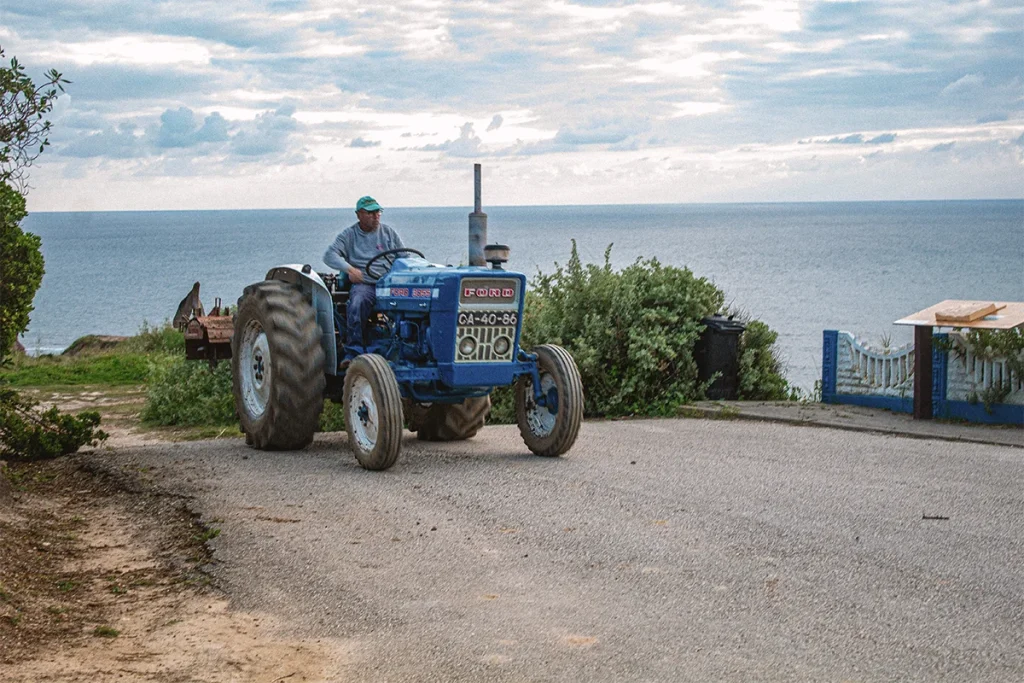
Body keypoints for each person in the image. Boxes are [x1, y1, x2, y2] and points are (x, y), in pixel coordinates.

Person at [323, 196, 405, 365]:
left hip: (388, 283)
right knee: (357, 302)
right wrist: (350, 269)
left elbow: (404, 256)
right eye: (371, 213)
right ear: (359, 214)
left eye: (378, 212)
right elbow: (329, 255)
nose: (376, 216)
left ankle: (405, 347)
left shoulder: (388, 233)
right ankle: (354, 352)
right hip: (366, 284)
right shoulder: (349, 235)